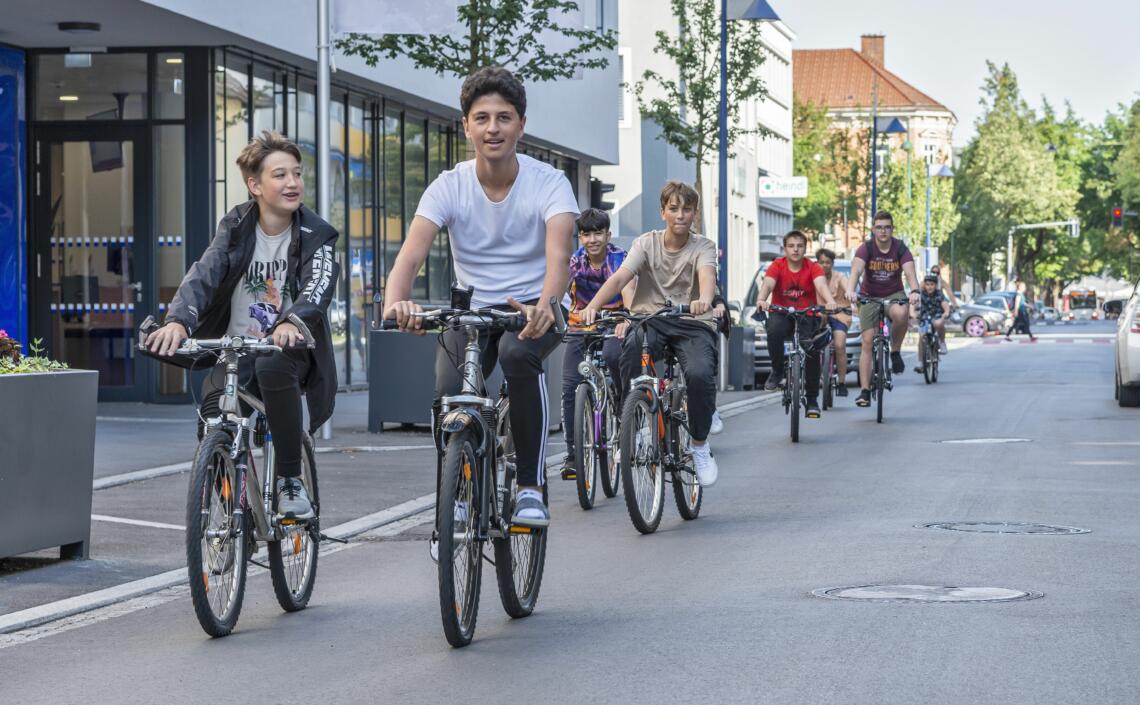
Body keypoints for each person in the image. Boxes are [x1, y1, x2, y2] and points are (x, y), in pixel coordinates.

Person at [384, 66, 578, 528]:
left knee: (517, 357)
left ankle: (530, 485)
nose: (494, 128)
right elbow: (409, 258)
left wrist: (544, 305)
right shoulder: (449, 186)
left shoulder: (550, 183)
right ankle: (454, 497)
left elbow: (560, 260)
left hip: (535, 307)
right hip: (472, 311)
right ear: (466, 125)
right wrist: (397, 302)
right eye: (483, 118)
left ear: (521, 125)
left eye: (505, 117)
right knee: (451, 395)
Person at [146, 130, 340, 520]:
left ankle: (289, 480)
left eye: (296, 174)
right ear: (255, 185)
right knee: (213, 421)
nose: (293, 183)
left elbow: (319, 286)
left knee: (273, 365)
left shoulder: (316, 233)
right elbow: (205, 272)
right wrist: (178, 322)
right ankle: (236, 514)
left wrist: (292, 321)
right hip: (237, 349)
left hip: (288, 350)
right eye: (280, 175)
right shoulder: (235, 226)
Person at [581, 181, 722, 487]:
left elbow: (707, 276)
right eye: (673, 209)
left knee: (698, 374)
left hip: (692, 322)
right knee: (628, 349)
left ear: (695, 214)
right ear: (663, 212)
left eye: (686, 209)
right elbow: (620, 277)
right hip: (652, 319)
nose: (680, 215)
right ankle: (637, 421)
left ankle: (699, 445)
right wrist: (591, 306)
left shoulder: (704, 246)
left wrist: (704, 300)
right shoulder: (646, 243)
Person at [559, 208, 632, 481]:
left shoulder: (619, 259)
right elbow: (558, 289)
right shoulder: (574, 262)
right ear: (580, 237)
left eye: (598, 233)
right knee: (568, 384)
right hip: (581, 326)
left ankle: (624, 413)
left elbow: (629, 291)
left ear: (608, 234)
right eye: (586, 234)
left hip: (615, 323)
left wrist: (627, 318)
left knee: (615, 357)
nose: (592, 239)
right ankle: (572, 454)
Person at [754, 232, 839, 418]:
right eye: (791, 245)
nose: (795, 249)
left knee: (811, 350)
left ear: (805, 248)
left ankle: (812, 399)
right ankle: (776, 372)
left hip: (806, 314)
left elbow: (821, 285)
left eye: (799, 246)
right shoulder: (778, 265)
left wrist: (830, 301)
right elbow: (768, 284)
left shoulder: (812, 266)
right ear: (785, 248)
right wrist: (761, 299)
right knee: (774, 330)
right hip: (781, 312)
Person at [845, 210, 921, 408]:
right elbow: (856, 271)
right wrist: (850, 290)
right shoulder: (866, 248)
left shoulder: (900, 247)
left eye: (887, 227)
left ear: (892, 229)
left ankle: (895, 352)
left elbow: (910, 272)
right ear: (873, 229)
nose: (883, 231)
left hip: (894, 294)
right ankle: (865, 391)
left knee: (901, 313)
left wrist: (914, 290)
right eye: (879, 227)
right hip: (869, 296)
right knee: (868, 342)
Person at [815, 248, 852, 398]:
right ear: (817, 263)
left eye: (828, 262)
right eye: (822, 262)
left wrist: (851, 294)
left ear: (832, 263)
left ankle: (842, 383)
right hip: (819, 314)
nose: (825, 265)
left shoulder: (839, 277)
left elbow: (848, 287)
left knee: (839, 345)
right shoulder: (813, 278)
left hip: (840, 314)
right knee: (811, 343)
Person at [913, 273, 950, 373]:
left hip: (936, 316)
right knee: (921, 337)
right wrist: (913, 314)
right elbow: (913, 306)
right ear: (924, 285)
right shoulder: (920, 294)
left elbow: (945, 305)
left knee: (938, 323)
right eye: (927, 284)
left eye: (932, 284)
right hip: (924, 318)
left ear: (935, 285)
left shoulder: (939, 294)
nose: (929, 287)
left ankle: (942, 342)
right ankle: (920, 361)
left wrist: (946, 313)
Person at [928, 264, 958, 354]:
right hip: (928, 305)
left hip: (939, 304)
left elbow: (950, 293)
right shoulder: (926, 282)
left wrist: (955, 304)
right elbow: (919, 293)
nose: (935, 274)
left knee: (940, 322)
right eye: (933, 272)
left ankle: (942, 342)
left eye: (937, 273)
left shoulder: (942, 282)